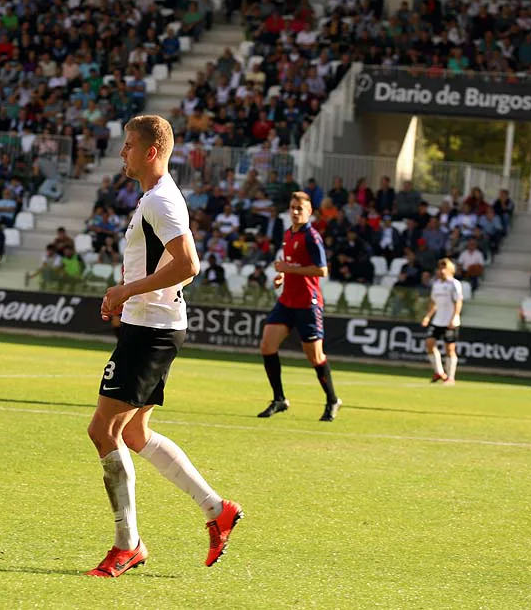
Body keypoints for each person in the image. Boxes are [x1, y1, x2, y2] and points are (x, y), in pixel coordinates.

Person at [87, 115, 242, 578]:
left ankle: (127, 544)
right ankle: (218, 510)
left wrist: (126, 292)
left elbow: (189, 264)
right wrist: (125, 295)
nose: (123, 153)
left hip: (151, 329)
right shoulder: (157, 198)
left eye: (129, 146)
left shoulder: (161, 201)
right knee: (133, 434)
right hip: (155, 325)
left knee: (103, 432)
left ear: (151, 151)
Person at [256, 191, 342, 421]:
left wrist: (288, 269)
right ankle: (279, 399)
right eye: (292, 207)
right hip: (287, 300)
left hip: (307, 303)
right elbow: (291, 265)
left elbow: (322, 270)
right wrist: (282, 277)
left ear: (309, 212)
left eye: (299, 209)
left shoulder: (312, 237)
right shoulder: (288, 234)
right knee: (267, 345)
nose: (295, 212)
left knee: (315, 357)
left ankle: (332, 399)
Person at [421, 259, 464, 385]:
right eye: (440, 268)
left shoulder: (454, 284)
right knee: (429, 343)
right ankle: (439, 372)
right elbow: (434, 303)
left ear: (450, 270)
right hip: (438, 320)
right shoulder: (436, 284)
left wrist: (455, 317)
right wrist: (428, 317)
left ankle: (451, 377)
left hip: (450, 321)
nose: (441, 271)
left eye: (444, 268)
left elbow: (458, 302)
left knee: (449, 348)